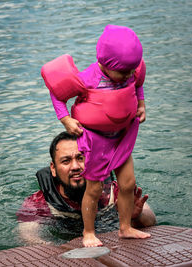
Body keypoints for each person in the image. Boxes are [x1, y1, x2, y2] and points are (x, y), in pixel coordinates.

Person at [41, 25, 149, 247]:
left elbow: (138, 84)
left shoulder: (130, 71)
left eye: (130, 71)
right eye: (123, 73)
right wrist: (65, 119)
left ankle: (125, 227)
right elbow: (57, 93)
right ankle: (88, 232)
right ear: (105, 64)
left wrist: (141, 104)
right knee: (95, 188)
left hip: (122, 136)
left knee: (128, 183)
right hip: (95, 139)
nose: (128, 76)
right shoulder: (88, 78)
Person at [17, 132, 156, 245]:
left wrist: (137, 216)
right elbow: (27, 235)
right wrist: (56, 251)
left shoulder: (113, 192)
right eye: (66, 161)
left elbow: (151, 220)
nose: (75, 167)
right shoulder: (39, 202)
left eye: (81, 158)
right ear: (53, 169)